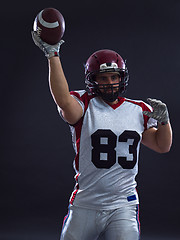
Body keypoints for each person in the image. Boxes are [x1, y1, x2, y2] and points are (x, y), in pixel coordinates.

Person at [32, 31, 172, 240]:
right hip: (85, 203)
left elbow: (162, 145)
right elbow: (62, 100)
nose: (110, 83)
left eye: (114, 77)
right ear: (92, 80)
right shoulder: (84, 104)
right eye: (103, 78)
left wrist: (164, 122)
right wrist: (53, 55)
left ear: (121, 77)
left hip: (123, 205)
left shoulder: (138, 109)